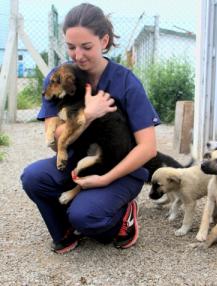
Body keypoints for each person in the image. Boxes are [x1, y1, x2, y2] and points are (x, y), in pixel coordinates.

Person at [21, 3, 160, 254]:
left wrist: (105, 179)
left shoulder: (126, 82)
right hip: (80, 159)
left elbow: (148, 148)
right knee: (33, 177)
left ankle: (122, 217)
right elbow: (55, 141)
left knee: (87, 216)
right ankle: (66, 229)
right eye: (71, 47)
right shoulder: (60, 76)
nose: (77, 55)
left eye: (86, 47)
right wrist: (90, 114)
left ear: (104, 40)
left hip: (121, 167)